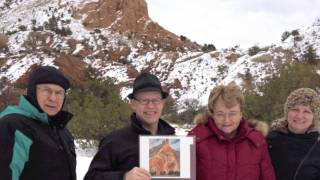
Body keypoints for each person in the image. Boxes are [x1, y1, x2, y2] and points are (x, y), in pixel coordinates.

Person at [84, 72, 175, 180]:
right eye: (144, 100)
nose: (150, 106)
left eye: (156, 100)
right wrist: (123, 177)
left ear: (162, 103)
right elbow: (91, 177)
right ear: (133, 104)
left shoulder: (174, 141)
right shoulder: (114, 141)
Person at [0, 66, 76, 180]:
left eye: (59, 93)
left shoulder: (62, 130)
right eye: (47, 91)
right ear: (33, 91)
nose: (53, 98)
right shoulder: (14, 126)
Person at [189, 82, 276, 180]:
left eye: (232, 113)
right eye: (220, 114)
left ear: (241, 113)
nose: (226, 120)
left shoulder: (257, 141)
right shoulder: (196, 139)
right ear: (212, 114)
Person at [267, 88, 320, 180]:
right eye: (295, 109)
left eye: (307, 111)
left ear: (314, 116)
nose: (299, 116)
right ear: (287, 112)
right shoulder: (269, 140)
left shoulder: (317, 146)